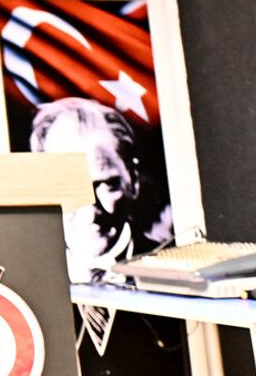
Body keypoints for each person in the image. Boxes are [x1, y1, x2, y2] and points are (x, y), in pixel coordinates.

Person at [29, 96, 170, 283]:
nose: (90, 212)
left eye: (107, 184)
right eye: (69, 186)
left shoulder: (171, 265)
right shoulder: (30, 277)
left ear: (133, 180)